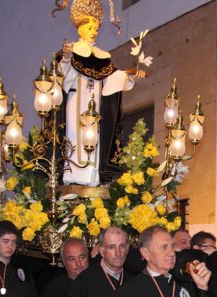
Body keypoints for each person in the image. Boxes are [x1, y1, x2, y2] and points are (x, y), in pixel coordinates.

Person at [57, 0, 145, 186]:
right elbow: (63, 76)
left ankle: (92, 176)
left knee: (95, 136)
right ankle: (73, 175)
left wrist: (131, 76)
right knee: (75, 134)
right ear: (80, 29)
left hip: (96, 104)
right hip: (76, 102)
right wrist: (66, 57)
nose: (94, 31)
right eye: (90, 27)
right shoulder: (71, 51)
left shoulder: (102, 56)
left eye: (96, 28)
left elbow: (112, 79)